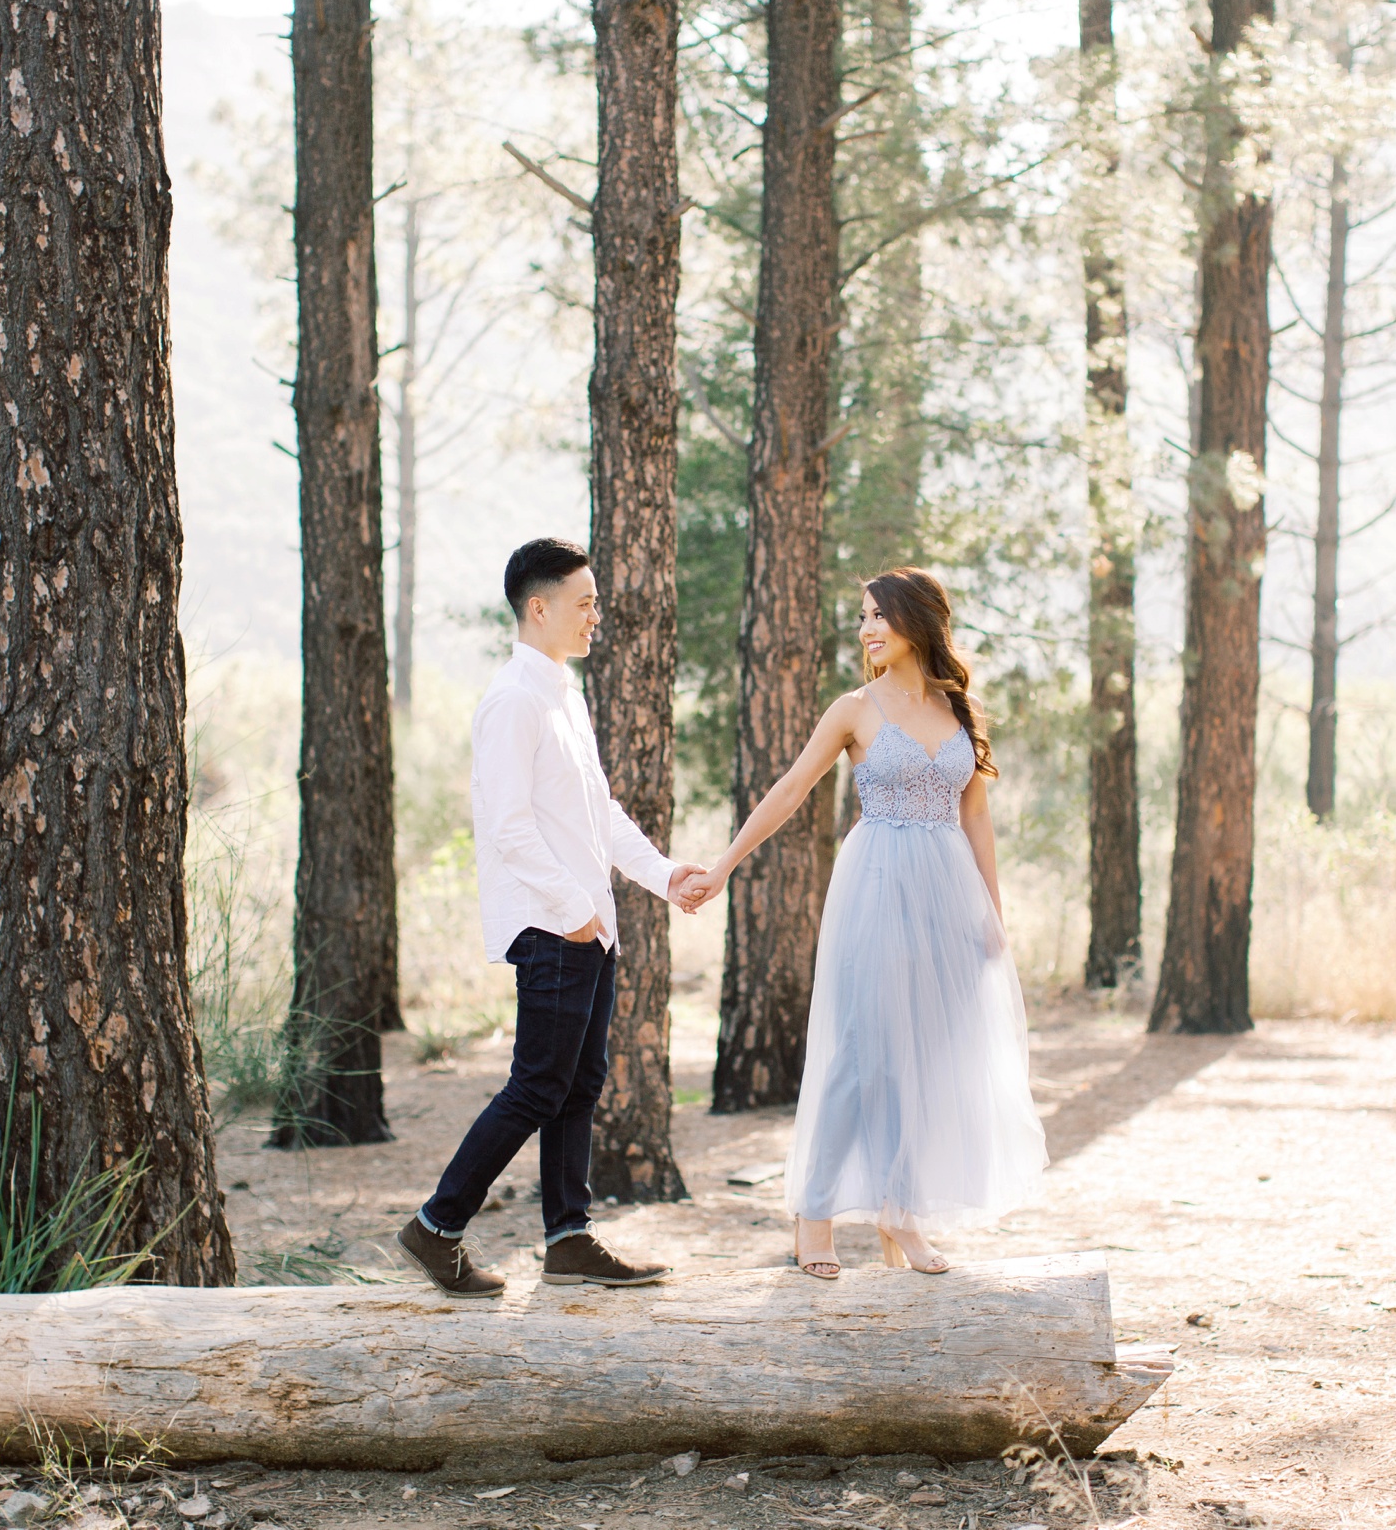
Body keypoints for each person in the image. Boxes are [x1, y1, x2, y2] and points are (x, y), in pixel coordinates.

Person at [680, 567, 1048, 1277]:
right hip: (876, 886)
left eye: (879, 615)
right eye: (862, 617)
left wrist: (991, 914)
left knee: (928, 1055)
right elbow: (792, 788)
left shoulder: (960, 709)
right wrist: (724, 866)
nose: (867, 629)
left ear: (918, 620)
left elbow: (976, 816)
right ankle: (813, 1217)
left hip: (949, 896)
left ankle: (900, 1214)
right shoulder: (854, 709)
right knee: (859, 1053)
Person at [397, 538, 704, 1298]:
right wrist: (571, 913)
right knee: (537, 1086)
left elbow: (599, 813)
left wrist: (663, 876)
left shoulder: (566, 695)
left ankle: (568, 1239)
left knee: (578, 1084)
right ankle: (437, 1227)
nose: (596, 615)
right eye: (585, 603)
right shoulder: (513, 701)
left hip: (588, 924)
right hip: (551, 925)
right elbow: (508, 827)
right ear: (539, 608)